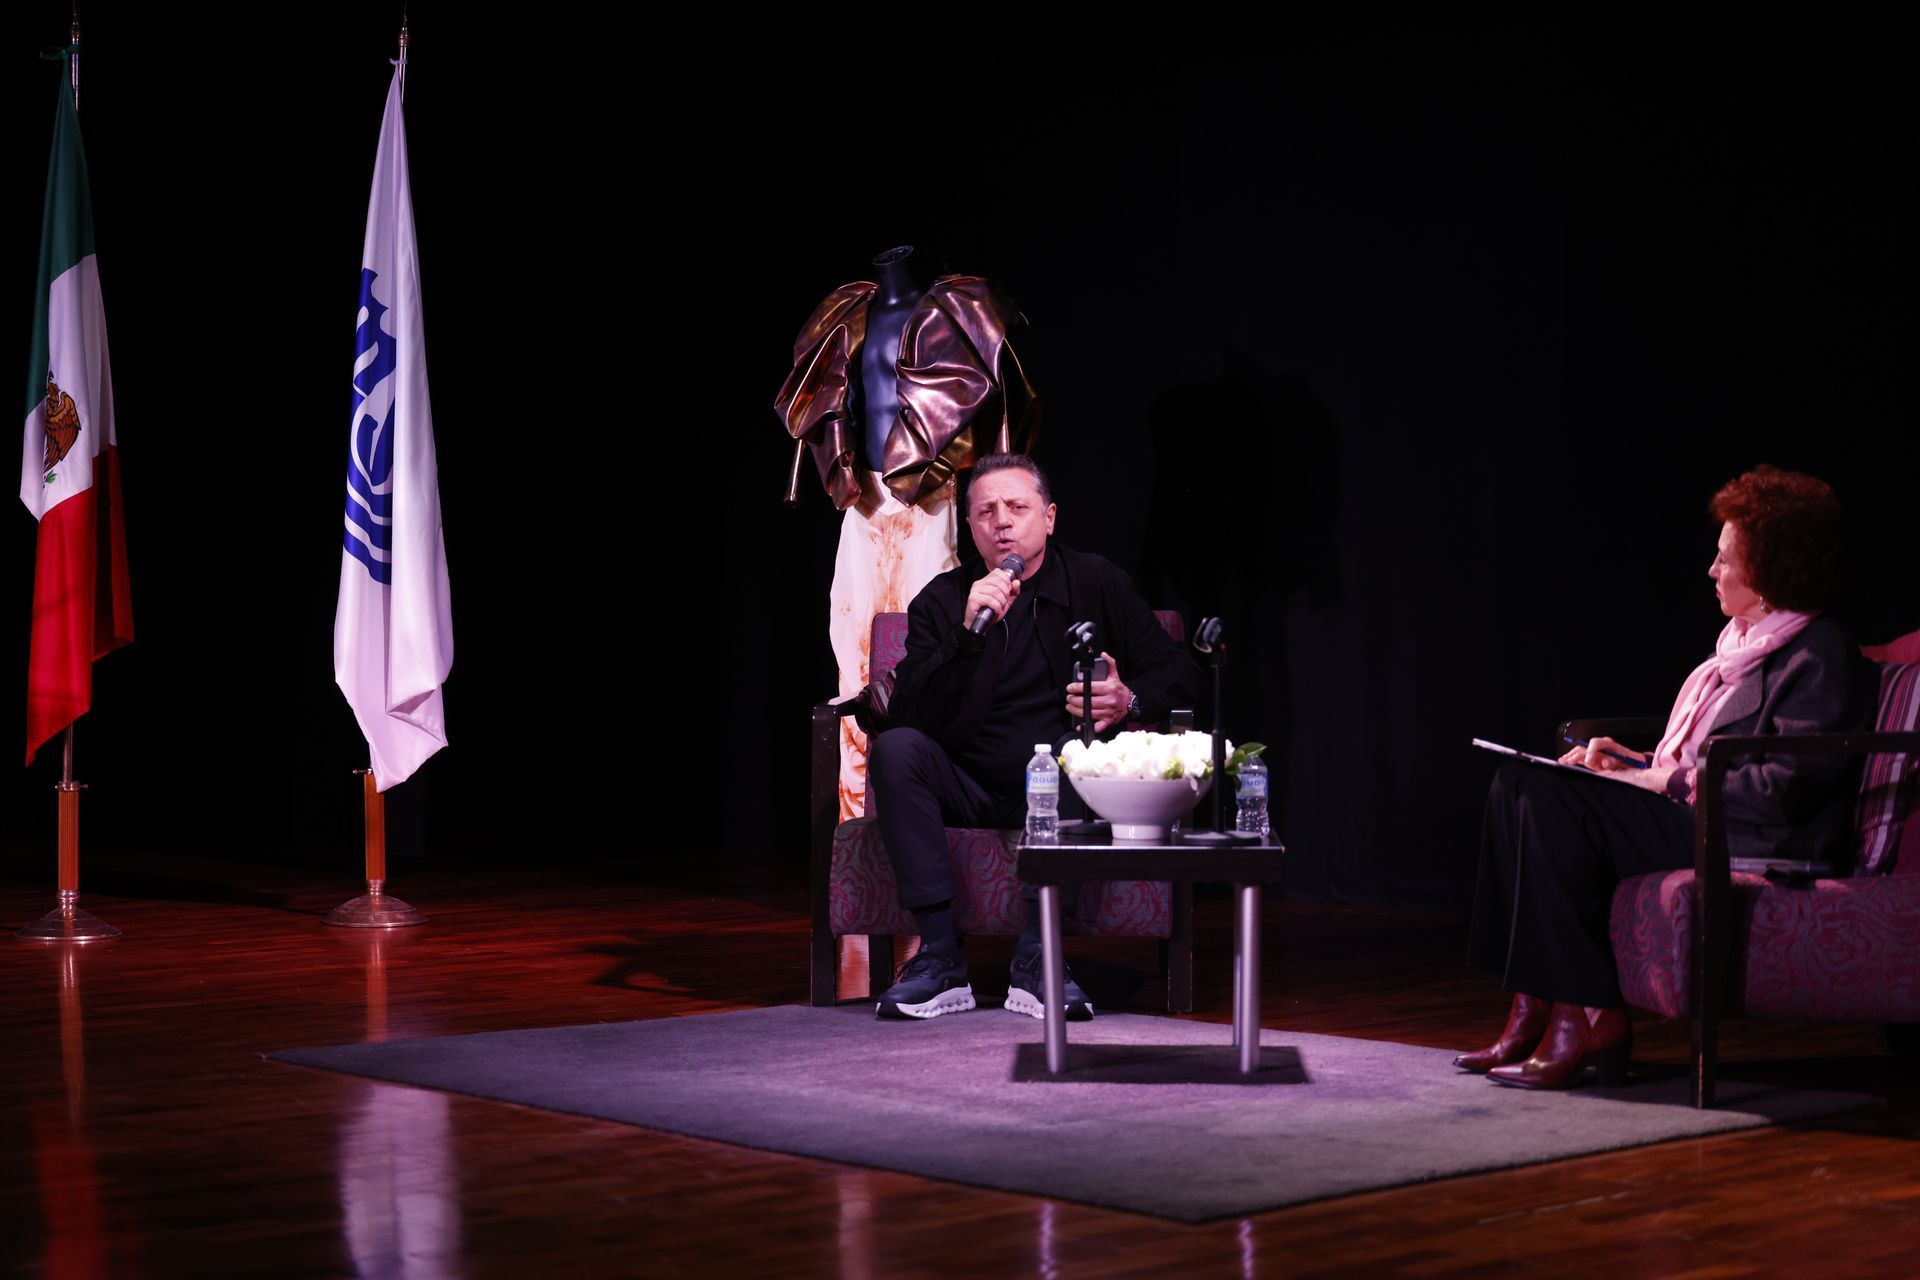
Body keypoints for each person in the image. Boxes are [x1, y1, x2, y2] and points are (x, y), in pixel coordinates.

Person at [1459, 465, 1878, 1088]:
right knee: (1515, 784)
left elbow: (1785, 790)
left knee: (1550, 799)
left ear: (1768, 568)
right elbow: (1687, 765)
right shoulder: (1739, 647)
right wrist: (1629, 764)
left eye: (1725, 558)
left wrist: (1667, 783)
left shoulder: (1819, 654)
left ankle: (1590, 1016)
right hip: (1701, 817)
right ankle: (1534, 1004)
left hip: (1756, 840)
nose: (1711, 570)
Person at [866, 453, 1201, 1020]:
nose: (1001, 522)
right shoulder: (943, 601)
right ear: (970, 527)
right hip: (965, 781)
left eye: (1016, 508)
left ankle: (1039, 956)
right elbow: (909, 713)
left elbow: (1181, 670)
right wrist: (965, 637)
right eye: (986, 512)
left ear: (1048, 517)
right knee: (897, 749)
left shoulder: (1096, 582)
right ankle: (940, 957)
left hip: (1058, 784)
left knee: (1076, 753)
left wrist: (1128, 699)